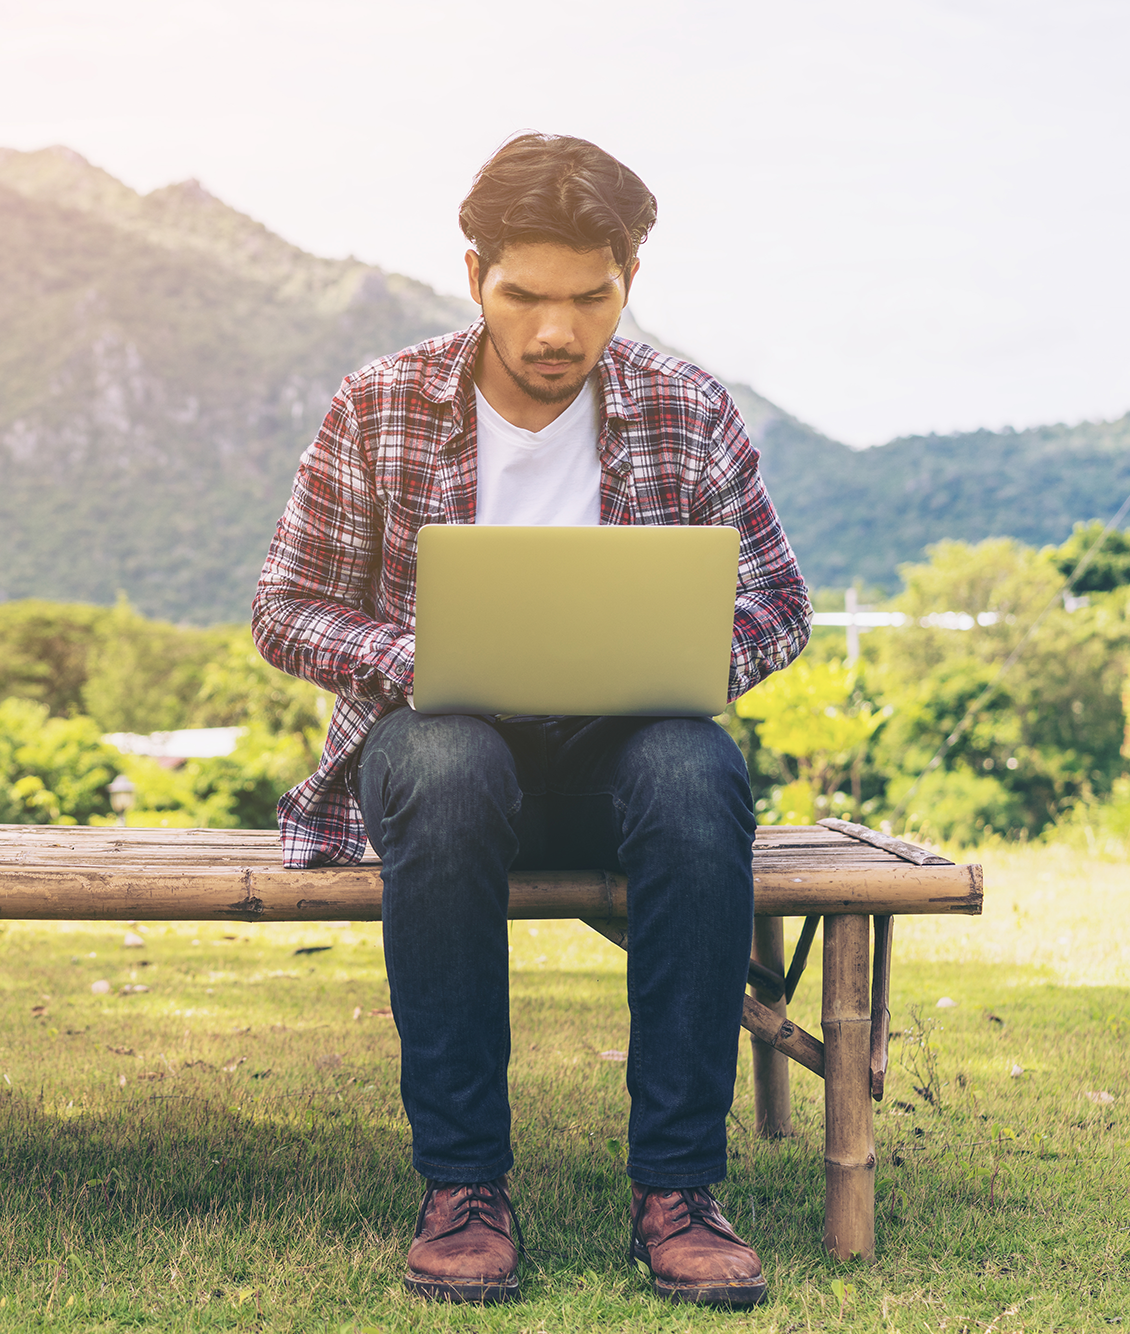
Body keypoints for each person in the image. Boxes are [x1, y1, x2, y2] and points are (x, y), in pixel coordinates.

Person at [250, 132, 811, 1308]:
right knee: (447, 761)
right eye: (523, 297)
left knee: (693, 770)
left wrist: (683, 658)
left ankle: (678, 1191)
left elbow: (777, 602)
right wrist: (421, 659)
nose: (556, 331)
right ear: (473, 277)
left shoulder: (686, 406)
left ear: (628, 281)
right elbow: (284, 606)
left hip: (623, 761)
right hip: (440, 755)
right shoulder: (380, 402)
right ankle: (462, 1187)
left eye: (589, 299)